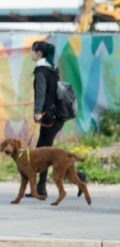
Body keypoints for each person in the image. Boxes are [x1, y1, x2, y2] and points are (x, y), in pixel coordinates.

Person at [27, 40, 87, 198]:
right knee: (43, 153)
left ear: (39, 53)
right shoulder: (52, 69)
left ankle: (78, 177)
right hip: (55, 117)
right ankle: (41, 187)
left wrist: (37, 111)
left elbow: (41, 92)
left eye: (32, 50)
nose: (31, 53)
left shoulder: (41, 70)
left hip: (49, 118)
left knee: (43, 154)